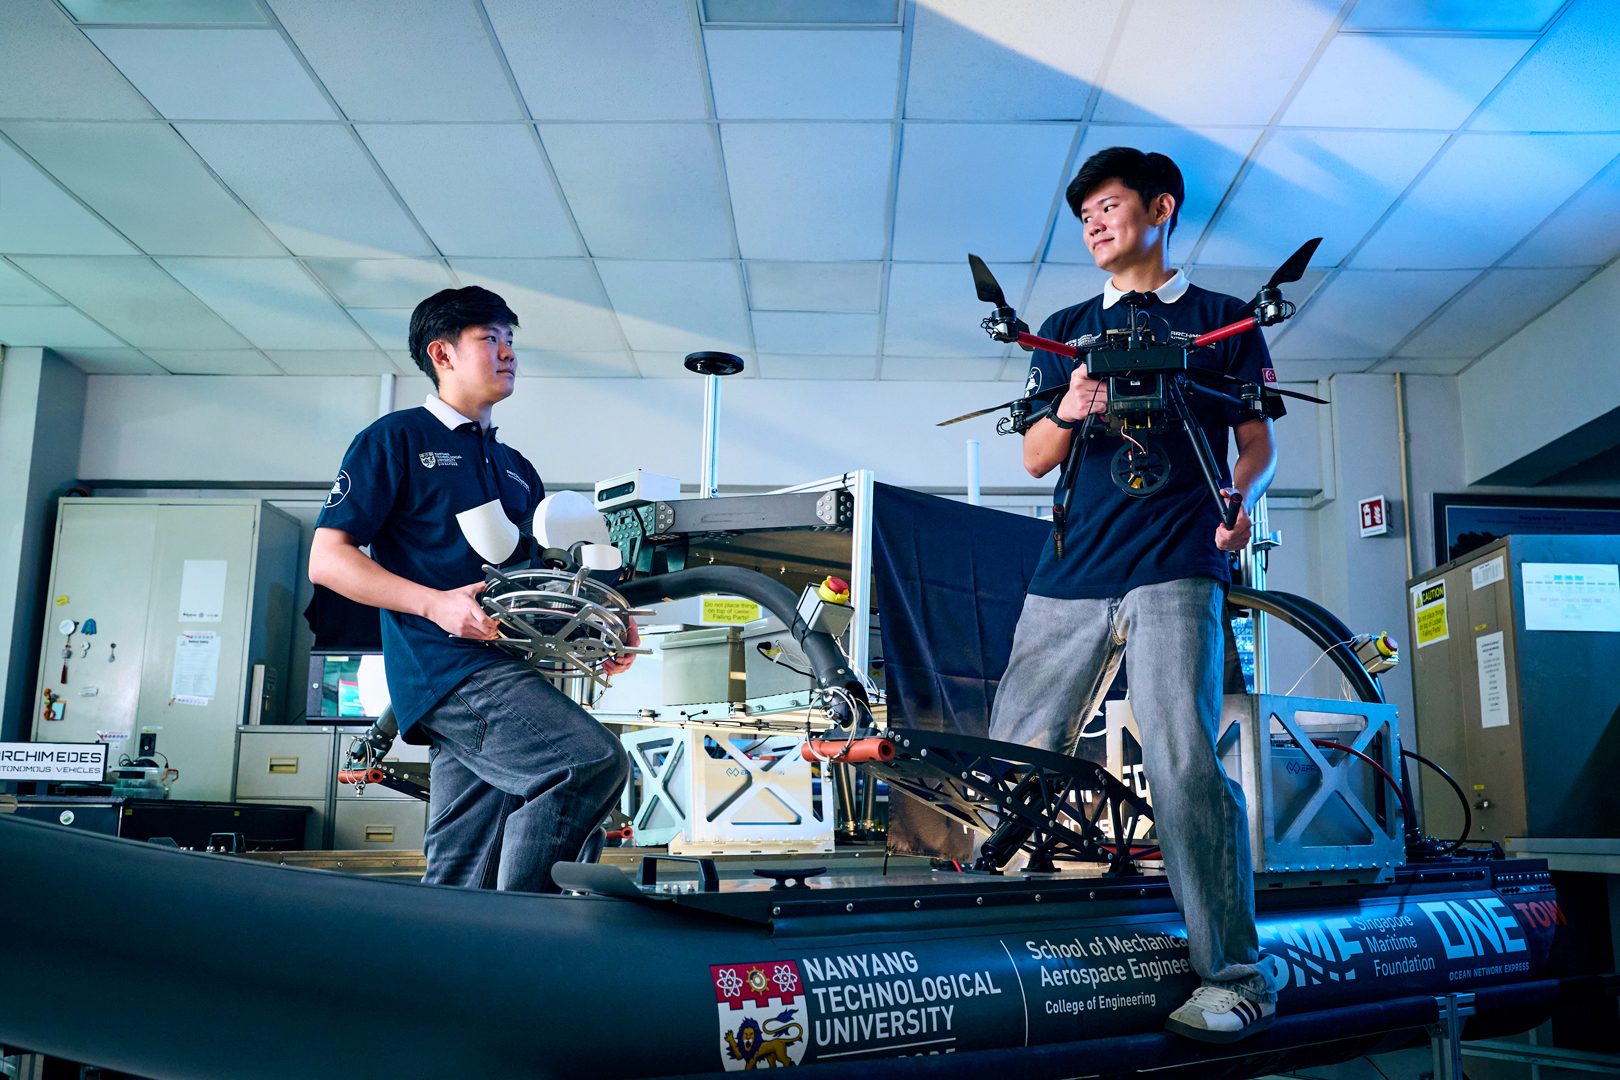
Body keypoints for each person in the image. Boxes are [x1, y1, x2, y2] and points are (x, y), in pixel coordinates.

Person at [988, 147, 1285, 1042]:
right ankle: (987, 936)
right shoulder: (1065, 326)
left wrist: (1243, 504)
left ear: (1161, 210)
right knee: (1009, 756)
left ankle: (1235, 977)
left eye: (1110, 207)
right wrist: (1069, 410)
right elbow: (1035, 456)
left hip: (1179, 561)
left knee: (1184, 759)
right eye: (1085, 217)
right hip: (1072, 569)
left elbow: (1258, 445)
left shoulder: (1224, 320)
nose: (1094, 225)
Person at [308, 285, 630, 894]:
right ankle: (529, 935)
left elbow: (541, 581)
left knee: (462, 868)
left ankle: (450, 971)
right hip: (448, 667)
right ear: (443, 353)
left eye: (511, 340)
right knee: (586, 763)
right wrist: (435, 603)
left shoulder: (515, 467)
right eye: (490, 339)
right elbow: (328, 560)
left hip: (499, 667)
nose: (508, 352)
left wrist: (600, 624)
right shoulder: (396, 439)